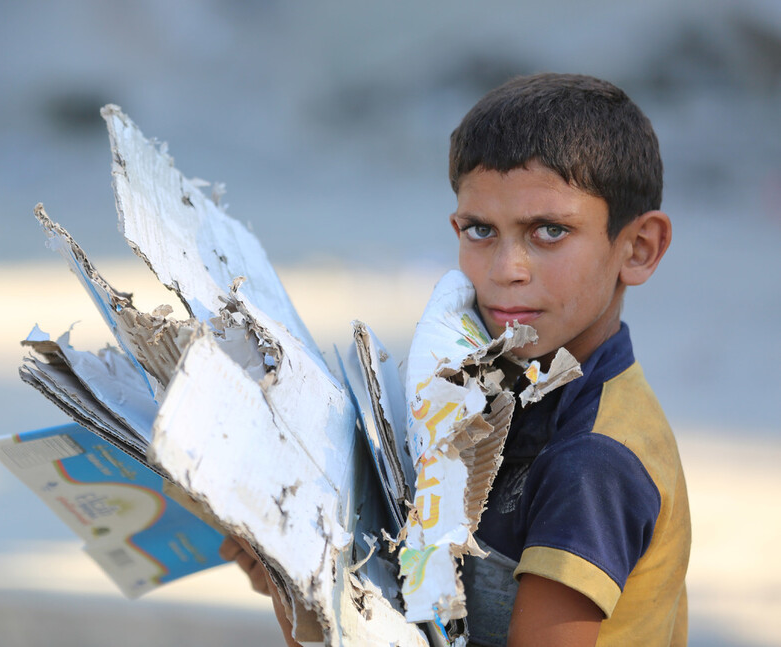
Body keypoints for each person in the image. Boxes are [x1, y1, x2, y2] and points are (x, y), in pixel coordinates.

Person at [223, 72, 691, 647]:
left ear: (638, 249)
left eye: (549, 231)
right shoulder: (498, 390)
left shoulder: (592, 462)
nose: (505, 269)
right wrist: (298, 583)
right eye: (480, 230)